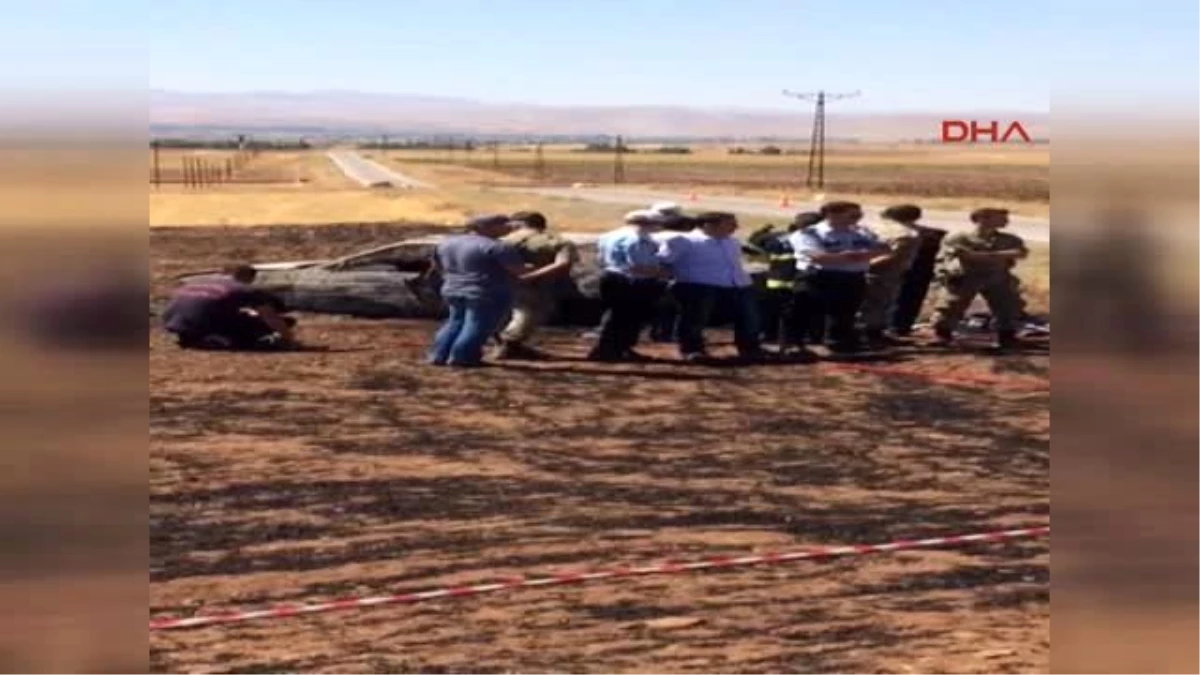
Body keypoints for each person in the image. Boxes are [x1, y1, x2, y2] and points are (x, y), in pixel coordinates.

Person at [661, 211, 767, 364]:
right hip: (699, 286)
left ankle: (750, 348)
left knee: (749, 317)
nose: (736, 227)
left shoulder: (732, 242)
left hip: (738, 285)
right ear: (708, 225)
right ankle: (692, 349)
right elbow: (664, 261)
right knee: (695, 319)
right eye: (730, 224)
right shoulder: (684, 241)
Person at [427, 214, 532, 367]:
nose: (508, 228)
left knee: (454, 322)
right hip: (485, 291)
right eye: (503, 224)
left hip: (453, 288)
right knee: (477, 325)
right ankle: (463, 357)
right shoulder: (497, 247)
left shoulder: (446, 244)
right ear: (488, 227)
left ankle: (438, 355)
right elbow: (519, 271)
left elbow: (437, 266)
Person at [788, 201, 890, 356]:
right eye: (853, 214)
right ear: (832, 214)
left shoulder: (862, 232)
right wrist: (859, 256)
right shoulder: (810, 233)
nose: (858, 218)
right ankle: (798, 344)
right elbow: (819, 257)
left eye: (859, 214)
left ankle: (838, 343)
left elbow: (884, 249)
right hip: (820, 277)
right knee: (809, 311)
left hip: (854, 277)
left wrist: (848, 257)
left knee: (846, 312)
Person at [930, 207, 1030, 350]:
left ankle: (1006, 337)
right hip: (966, 276)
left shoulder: (1009, 239)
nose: (1006, 221)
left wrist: (981, 256)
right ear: (981, 218)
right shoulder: (959, 237)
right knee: (950, 306)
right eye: (1000, 217)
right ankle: (942, 335)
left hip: (997, 276)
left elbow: (1020, 253)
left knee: (1008, 306)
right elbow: (950, 256)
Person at [493, 211, 579, 360]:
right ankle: (509, 345)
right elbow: (564, 263)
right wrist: (532, 275)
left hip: (501, 282)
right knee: (528, 314)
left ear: (520, 223)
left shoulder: (501, 241)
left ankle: (504, 343)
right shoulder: (557, 241)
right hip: (539, 284)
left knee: (502, 314)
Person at [588, 209, 670, 362]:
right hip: (632, 282)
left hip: (610, 276)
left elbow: (601, 258)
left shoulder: (609, 235)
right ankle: (612, 349)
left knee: (615, 315)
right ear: (647, 224)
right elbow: (638, 265)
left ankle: (615, 348)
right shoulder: (639, 239)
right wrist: (665, 273)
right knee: (630, 318)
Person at [162, 264, 297, 350]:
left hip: (174, 322)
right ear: (249, 278)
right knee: (279, 323)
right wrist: (288, 339)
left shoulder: (197, 283)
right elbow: (269, 316)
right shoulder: (245, 289)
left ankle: (193, 338)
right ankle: (218, 339)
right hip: (203, 322)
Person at [860, 204, 926, 347]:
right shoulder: (907, 234)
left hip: (858, 268)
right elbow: (893, 256)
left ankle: (859, 331)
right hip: (886, 272)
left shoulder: (870, 227)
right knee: (880, 303)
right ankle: (872, 334)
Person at [758, 212, 824, 348]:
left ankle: (770, 337)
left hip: (775, 280)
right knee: (801, 312)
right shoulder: (812, 240)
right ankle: (798, 339)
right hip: (799, 281)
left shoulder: (777, 237)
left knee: (775, 312)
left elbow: (755, 241)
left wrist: (764, 230)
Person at [647, 209, 697, 343]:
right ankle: (669, 334)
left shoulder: (653, 235)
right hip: (671, 275)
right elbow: (668, 258)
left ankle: (656, 332)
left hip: (649, 275)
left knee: (659, 307)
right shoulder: (679, 238)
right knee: (675, 307)